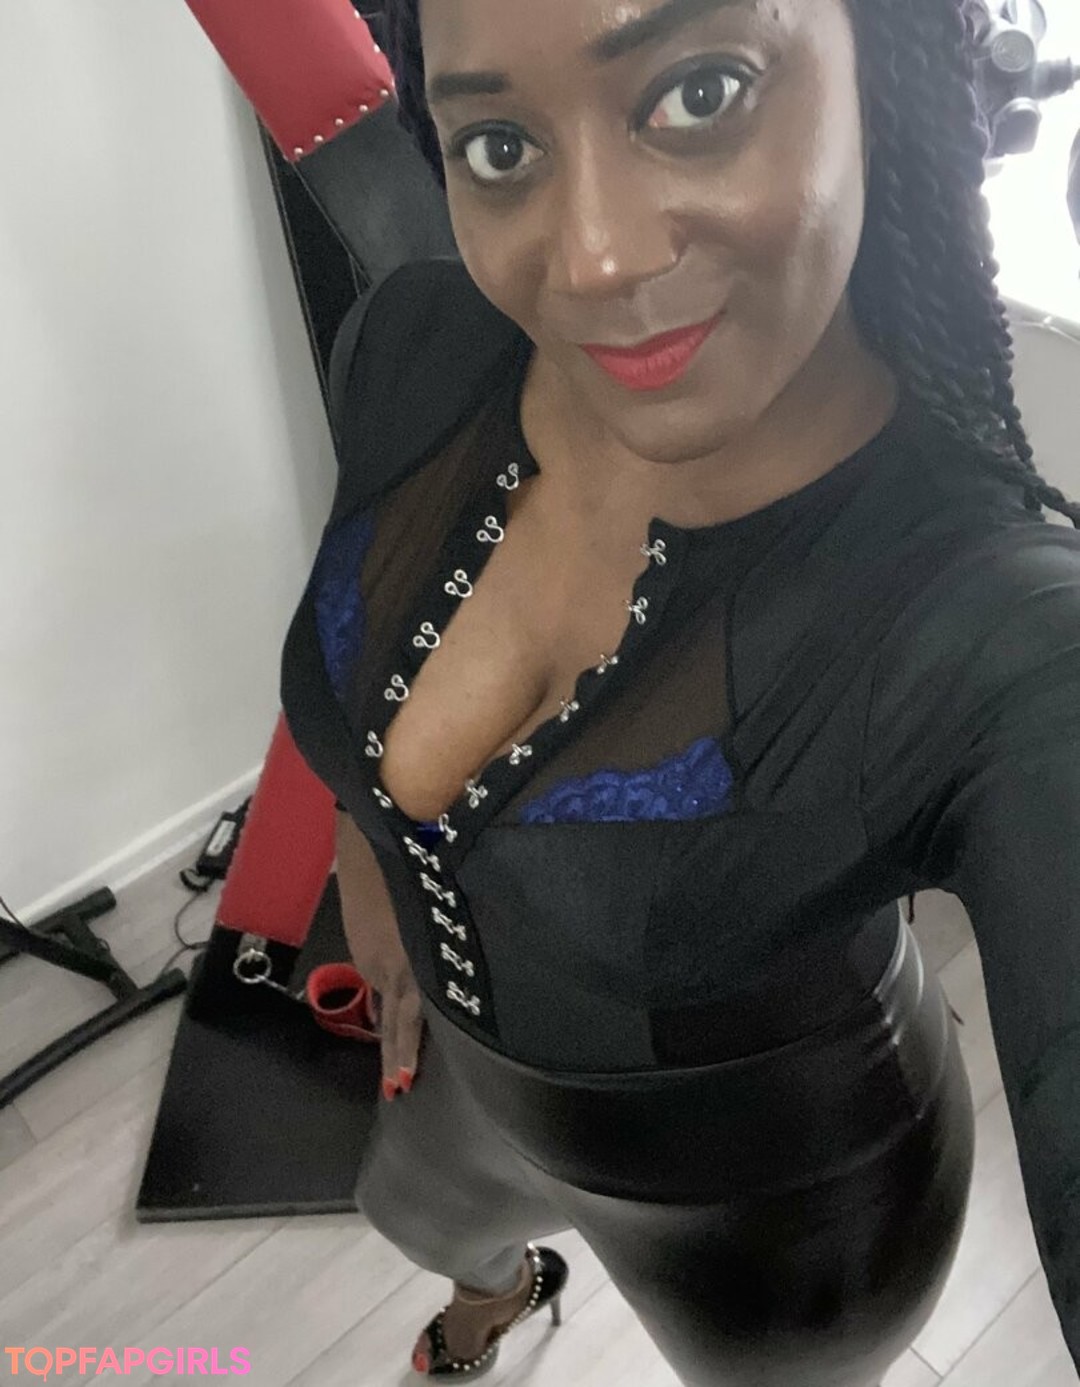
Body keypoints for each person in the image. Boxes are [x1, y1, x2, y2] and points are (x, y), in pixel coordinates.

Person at [278, 0, 1080, 1381]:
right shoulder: (411, 344)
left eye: (702, 92)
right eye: (502, 144)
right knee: (407, 1215)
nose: (595, 257)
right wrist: (374, 862)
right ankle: (498, 1295)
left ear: (884, 66)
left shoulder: (1002, 634)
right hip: (463, 1088)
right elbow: (351, 686)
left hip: (776, 1219)